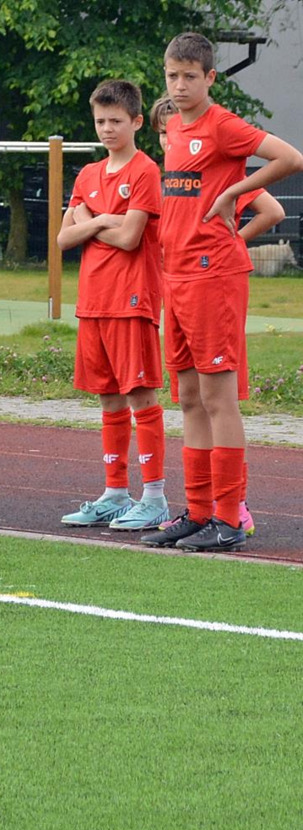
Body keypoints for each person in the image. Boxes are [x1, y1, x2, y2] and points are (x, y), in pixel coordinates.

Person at [141, 32, 303, 551]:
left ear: (210, 77)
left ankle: (230, 519)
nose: (180, 85)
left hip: (213, 275)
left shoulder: (223, 125)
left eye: (190, 76)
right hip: (176, 274)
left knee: (217, 396)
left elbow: (290, 157)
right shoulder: (172, 127)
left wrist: (236, 189)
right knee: (188, 397)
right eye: (172, 76)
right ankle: (198, 511)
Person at [55, 80, 167, 532]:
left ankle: (155, 496)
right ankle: (115, 493)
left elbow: (130, 238)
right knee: (108, 396)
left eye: (116, 121)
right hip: (93, 300)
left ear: (137, 122)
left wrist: (91, 219)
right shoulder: (87, 174)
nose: (107, 128)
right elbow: (64, 238)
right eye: (100, 121)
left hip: (131, 299)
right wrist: (104, 218)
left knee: (140, 394)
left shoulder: (145, 171)